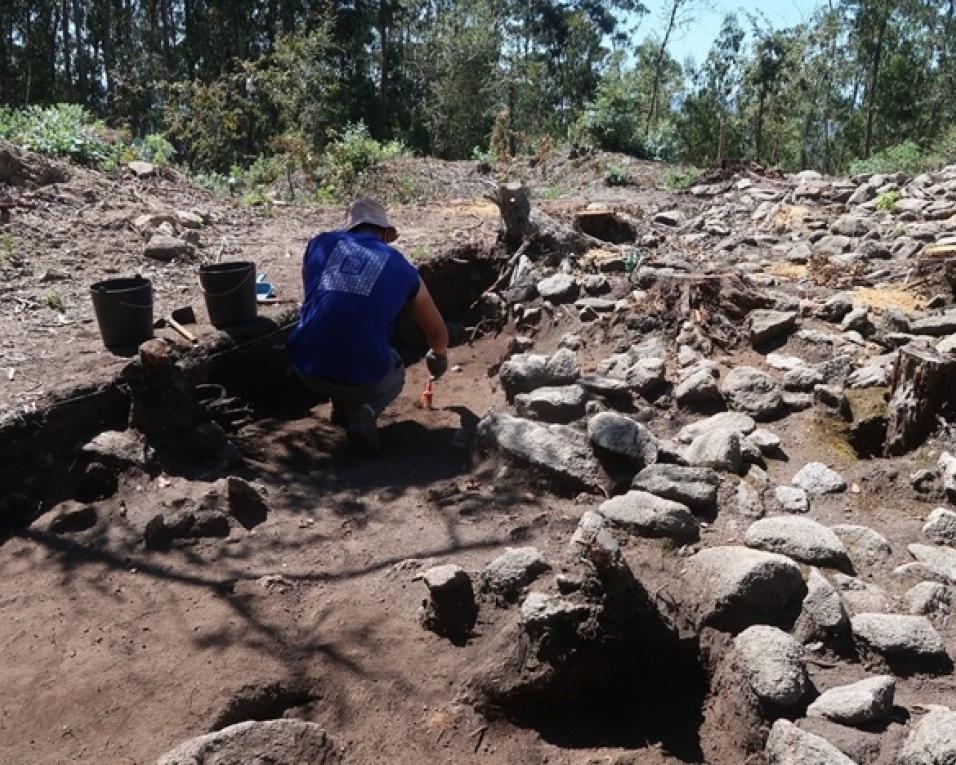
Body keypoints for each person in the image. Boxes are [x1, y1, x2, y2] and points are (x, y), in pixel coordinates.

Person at [287, 197, 449, 452]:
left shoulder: (318, 244)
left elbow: (312, 299)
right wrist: (439, 356)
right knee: (394, 366)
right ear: (385, 232)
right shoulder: (402, 268)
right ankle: (366, 411)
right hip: (360, 379)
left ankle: (341, 410)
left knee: (336, 330)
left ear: (349, 228)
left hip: (305, 366)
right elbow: (436, 331)